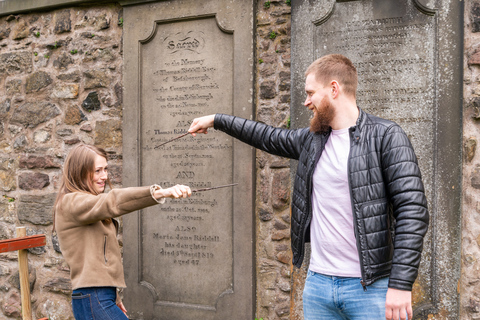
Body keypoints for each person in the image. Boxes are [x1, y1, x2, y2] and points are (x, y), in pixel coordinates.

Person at [188, 54, 429, 320]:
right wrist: (216, 120)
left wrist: (401, 284)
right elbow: (267, 136)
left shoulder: (386, 136)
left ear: (334, 89)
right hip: (319, 286)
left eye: (311, 93)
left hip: (370, 288)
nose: (306, 102)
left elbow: (412, 211)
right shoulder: (313, 140)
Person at [53, 144, 191, 320]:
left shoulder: (87, 204)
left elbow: (96, 256)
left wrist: (114, 296)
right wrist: (159, 193)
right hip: (93, 297)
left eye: (105, 169)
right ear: (80, 172)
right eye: (97, 171)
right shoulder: (71, 203)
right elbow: (112, 201)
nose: (104, 176)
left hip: (98, 296)